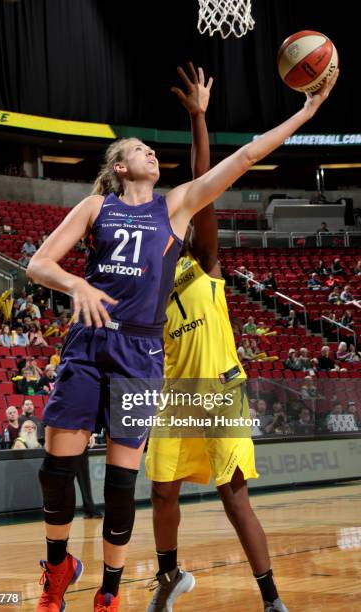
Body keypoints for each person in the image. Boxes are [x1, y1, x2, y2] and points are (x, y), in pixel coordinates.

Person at [26, 61, 337, 612]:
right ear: (119, 165)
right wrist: (77, 284)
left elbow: (240, 160)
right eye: (140, 149)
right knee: (101, 479)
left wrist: (306, 112)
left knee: (179, 491)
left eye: (152, 150)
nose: (151, 155)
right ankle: (103, 571)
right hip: (121, 358)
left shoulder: (188, 230)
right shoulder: (101, 210)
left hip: (178, 370)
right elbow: (41, 264)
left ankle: (147, 593)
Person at [145, 64, 288, 612]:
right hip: (175, 393)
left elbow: (205, 186)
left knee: (233, 497)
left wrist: (199, 120)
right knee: (161, 492)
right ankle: (168, 579)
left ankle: (271, 598)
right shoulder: (150, 286)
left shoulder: (203, 262)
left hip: (221, 388)